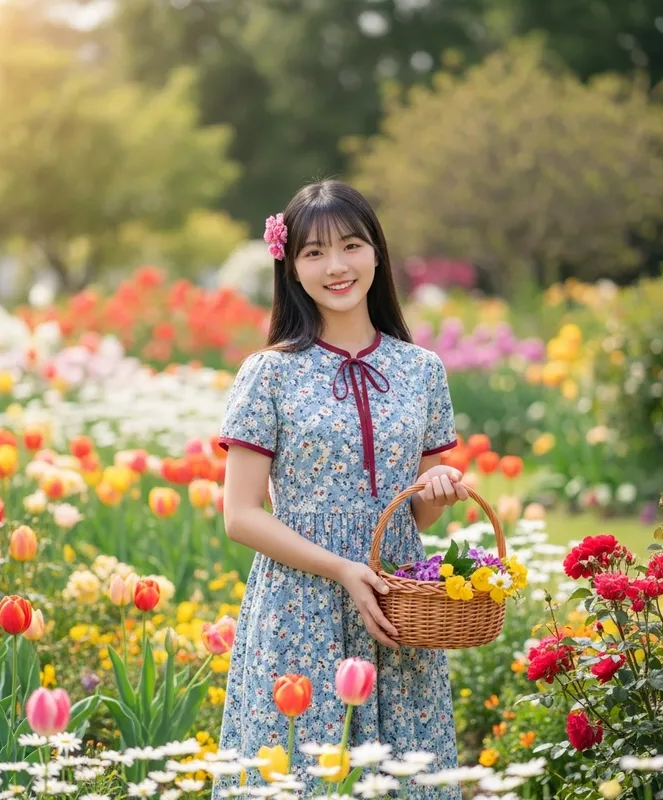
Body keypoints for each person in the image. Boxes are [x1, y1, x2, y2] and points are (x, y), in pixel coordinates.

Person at [214, 180, 467, 798]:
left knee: (406, 774)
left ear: (376, 254)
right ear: (292, 267)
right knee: (301, 774)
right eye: (313, 253)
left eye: (351, 246)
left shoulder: (421, 369)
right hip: (300, 606)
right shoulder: (269, 372)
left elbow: (422, 518)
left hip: (396, 605)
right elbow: (240, 515)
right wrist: (343, 569)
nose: (336, 267)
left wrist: (437, 486)